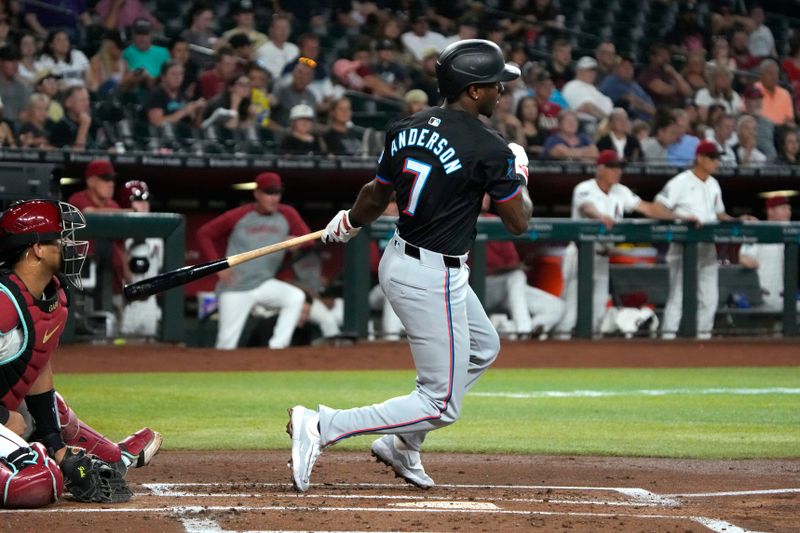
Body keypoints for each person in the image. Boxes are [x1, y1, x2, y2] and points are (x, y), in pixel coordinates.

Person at [286, 39, 532, 492]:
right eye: (497, 84)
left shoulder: (406, 125)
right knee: (441, 404)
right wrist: (518, 172)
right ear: (474, 91)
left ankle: (402, 443)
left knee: (483, 347)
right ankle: (323, 425)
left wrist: (351, 221)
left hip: (405, 258)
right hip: (430, 275)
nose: (503, 91)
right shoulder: (490, 148)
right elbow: (519, 222)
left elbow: (377, 193)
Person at [0, 200, 162, 507]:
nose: (70, 246)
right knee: (37, 482)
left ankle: (114, 457)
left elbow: (36, 371)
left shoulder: (51, 295)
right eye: (61, 238)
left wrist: (57, 448)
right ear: (36, 248)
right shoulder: (3, 301)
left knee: (52, 411)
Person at [553, 150, 674, 338]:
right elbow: (586, 207)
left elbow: (647, 208)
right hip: (580, 255)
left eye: (620, 167)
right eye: (613, 167)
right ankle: (557, 351)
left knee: (599, 309)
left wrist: (678, 217)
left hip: (602, 257)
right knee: (571, 309)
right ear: (600, 169)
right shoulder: (584, 187)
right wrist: (601, 216)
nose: (618, 171)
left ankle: (588, 357)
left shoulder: (621, 191)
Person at [655, 141, 757, 340]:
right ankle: (667, 339)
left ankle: (703, 340)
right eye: (712, 157)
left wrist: (737, 219)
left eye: (717, 158)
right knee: (678, 296)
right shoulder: (680, 182)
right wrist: (682, 219)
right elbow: (658, 207)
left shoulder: (713, 184)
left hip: (707, 248)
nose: (716, 161)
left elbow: (719, 214)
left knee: (710, 298)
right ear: (699, 158)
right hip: (683, 246)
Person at [196, 172, 308, 350]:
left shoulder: (287, 213)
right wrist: (218, 267)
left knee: (295, 297)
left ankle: (277, 348)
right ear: (257, 194)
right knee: (226, 345)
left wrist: (296, 243)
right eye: (268, 193)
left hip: (264, 283)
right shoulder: (240, 215)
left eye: (277, 193)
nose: (273, 198)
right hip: (236, 286)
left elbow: (309, 240)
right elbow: (204, 234)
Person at [480, 195, 565, 338]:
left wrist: (515, 267)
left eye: (487, 194)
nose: (486, 197)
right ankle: (521, 330)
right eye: (482, 193)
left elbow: (512, 260)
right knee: (516, 276)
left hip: (507, 287)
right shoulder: (461, 222)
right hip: (478, 288)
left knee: (557, 307)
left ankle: (524, 330)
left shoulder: (496, 222)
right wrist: (509, 268)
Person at [116, 180, 163, 336]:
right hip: (125, 302)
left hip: (150, 302)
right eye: (137, 200)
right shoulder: (118, 237)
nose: (143, 204)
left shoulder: (159, 235)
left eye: (145, 200)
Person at [739, 193, 797, 311]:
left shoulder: (790, 235)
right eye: (783, 208)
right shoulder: (760, 231)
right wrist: (749, 261)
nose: (788, 212)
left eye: (789, 208)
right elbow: (744, 258)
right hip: (763, 296)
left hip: (783, 297)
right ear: (770, 211)